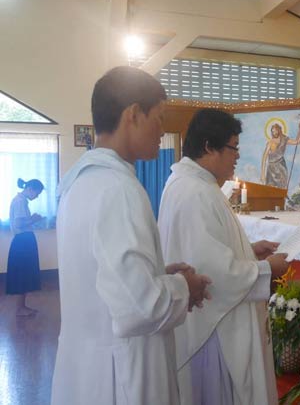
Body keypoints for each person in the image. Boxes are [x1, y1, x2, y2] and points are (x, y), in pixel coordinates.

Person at [51, 66, 212, 405]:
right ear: (134, 114)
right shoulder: (119, 189)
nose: (162, 130)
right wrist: (185, 286)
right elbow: (140, 307)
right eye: (159, 117)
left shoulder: (79, 182)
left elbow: (103, 277)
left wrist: (156, 274)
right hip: (121, 373)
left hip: (87, 365)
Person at [158, 108, 289, 405]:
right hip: (212, 330)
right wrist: (266, 269)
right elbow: (211, 272)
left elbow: (208, 247)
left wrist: (249, 250)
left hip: (212, 322)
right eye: (233, 147)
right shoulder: (194, 192)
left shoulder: (196, 185)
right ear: (208, 146)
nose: (237, 156)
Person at [7, 177, 44, 316]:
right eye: (37, 193)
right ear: (30, 189)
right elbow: (19, 224)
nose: (37, 196)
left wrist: (32, 220)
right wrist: (34, 219)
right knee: (23, 274)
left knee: (24, 274)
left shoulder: (21, 200)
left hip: (23, 241)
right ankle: (20, 309)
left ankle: (22, 307)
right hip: (23, 241)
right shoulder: (20, 201)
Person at [260, 119, 300, 189]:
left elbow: (297, 141)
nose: (274, 133)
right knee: (270, 189)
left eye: (275, 131)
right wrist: (262, 174)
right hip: (271, 169)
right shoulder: (270, 142)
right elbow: (264, 158)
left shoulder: (284, 140)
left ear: (279, 130)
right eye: (272, 131)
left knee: (281, 189)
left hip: (281, 168)